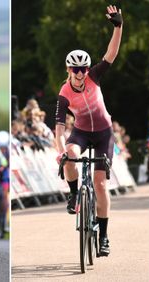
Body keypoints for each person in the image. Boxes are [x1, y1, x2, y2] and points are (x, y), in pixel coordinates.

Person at [54, 5, 122, 257]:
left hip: (104, 133)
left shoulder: (94, 76)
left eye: (83, 69)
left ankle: (104, 236)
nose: (81, 73)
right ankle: (73, 195)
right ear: (68, 70)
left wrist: (118, 26)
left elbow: (111, 54)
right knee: (70, 153)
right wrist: (60, 152)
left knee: (100, 185)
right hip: (81, 132)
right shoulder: (64, 93)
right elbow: (59, 129)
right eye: (75, 69)